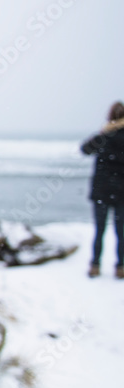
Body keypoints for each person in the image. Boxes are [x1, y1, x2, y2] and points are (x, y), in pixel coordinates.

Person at [81, 100, 124, 279]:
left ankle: (95, 265)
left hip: (101, 191)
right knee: (121, 231)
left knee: (100, 230)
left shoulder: (103, 136)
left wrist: (102, 134)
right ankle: (120, 267)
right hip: (122, 192)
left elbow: (85, 149)